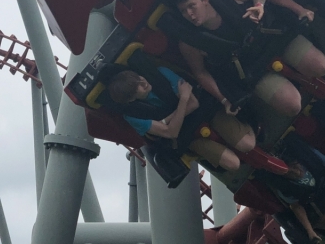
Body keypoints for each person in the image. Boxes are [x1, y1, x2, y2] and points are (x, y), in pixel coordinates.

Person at [171, 0, 325, 118]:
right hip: (252, 68)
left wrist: (299, 9)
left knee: (321, 67)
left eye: (192, 6)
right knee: (292, 106)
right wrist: (224, 100)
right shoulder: (189, 41)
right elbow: (200, 72)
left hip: (274, 40)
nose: (189, 14)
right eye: (183, 11)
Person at [107, 65, 254, 173]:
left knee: (247, 144)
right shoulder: (132, 115)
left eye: (139, 78)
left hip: (206, 113)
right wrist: (183, 99)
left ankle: (252, 123)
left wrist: (166, 121)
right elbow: (172, 133)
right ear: (131, 99)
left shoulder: (161, 73)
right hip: (188, 134)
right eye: (136, 87)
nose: (143, 83)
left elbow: (194, 104)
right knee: (233, 164)